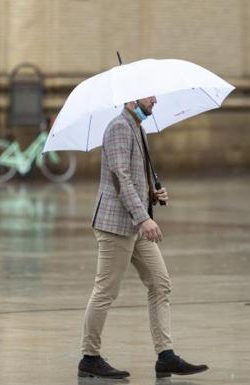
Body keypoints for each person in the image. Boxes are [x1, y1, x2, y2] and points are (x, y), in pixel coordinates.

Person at [78, 96, 208, 379]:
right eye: (150, 96)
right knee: (105, 291)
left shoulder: (138, 128)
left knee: (160, 283)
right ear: (131, 99)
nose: (155, 100)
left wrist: (152, 193)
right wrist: (144, 218)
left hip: (135, 223)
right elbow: (119, 178)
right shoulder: (118, 128)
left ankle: (166, 355)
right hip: (116, 224)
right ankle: (89, 357)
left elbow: (135, 179)